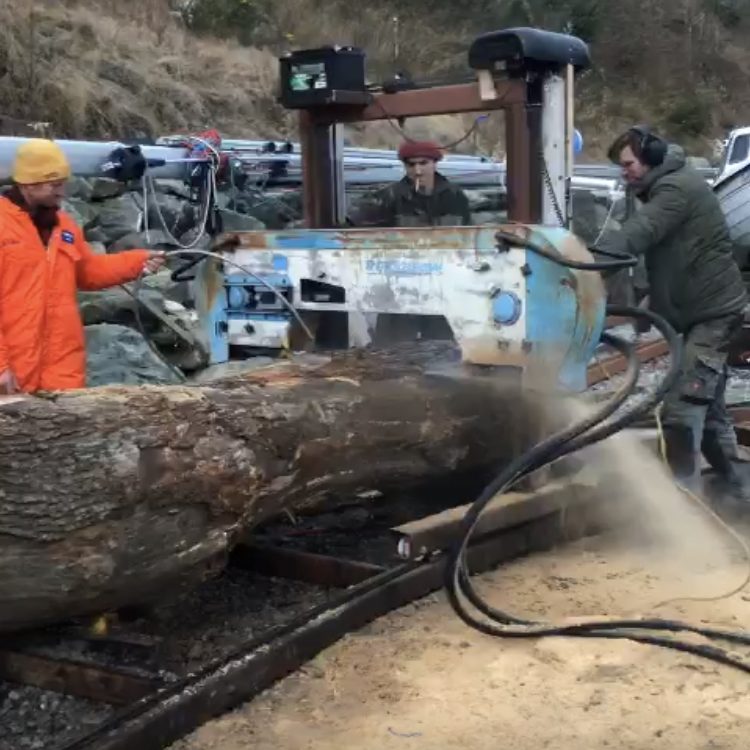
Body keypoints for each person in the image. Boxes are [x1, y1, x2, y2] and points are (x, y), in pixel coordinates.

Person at [596, 125, 749, 502]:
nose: (624, 171)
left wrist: (579, 264)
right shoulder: (652, 189)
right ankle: (739, 497)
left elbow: (640, 232)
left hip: (713, 314)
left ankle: (684, 514)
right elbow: (650, 256)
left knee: (681, 412)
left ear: (651, 155)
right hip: (696, 313)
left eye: (628, 163)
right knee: (709, 414)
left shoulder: (677, 188)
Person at [0, 139, 165, 394]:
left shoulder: (65, 226)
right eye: (54, 185)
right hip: (12, 370)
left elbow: (88, 272)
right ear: (28, 184)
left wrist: (137, 261)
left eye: (63, 183)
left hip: (62, 372)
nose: (62, 191)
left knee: (66, 431)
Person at [350, 140, 471, 227]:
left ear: (435, 163)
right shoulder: (389, 196)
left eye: (423, 163)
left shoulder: (455, 195)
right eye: (411, 165)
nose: (417, 171)